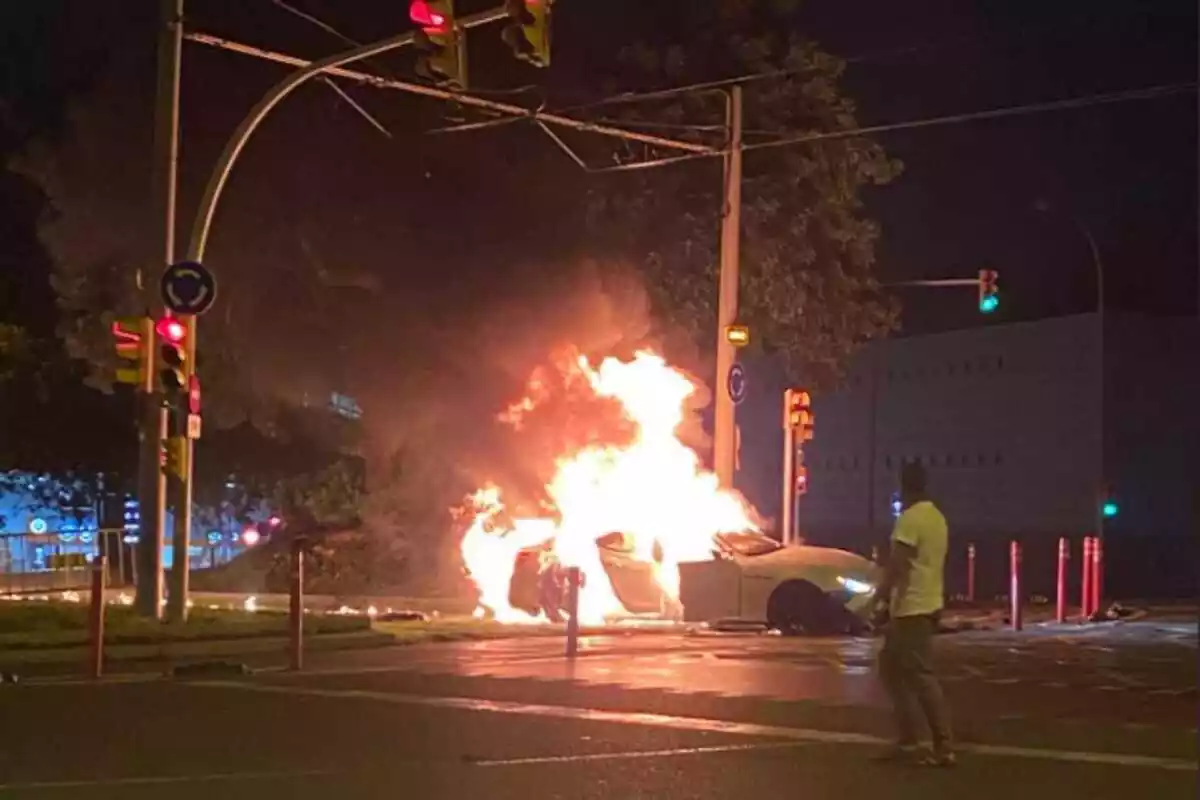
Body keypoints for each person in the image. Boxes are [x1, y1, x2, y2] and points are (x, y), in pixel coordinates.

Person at [871, 460, 955, 767]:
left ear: (904, 486)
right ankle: (908, 740)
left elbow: (899, 564)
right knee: (891, 669)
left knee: (920, 676)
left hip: (912, 608)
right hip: (929, 603)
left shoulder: (910, 519)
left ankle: (943, 747)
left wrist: (878, 600)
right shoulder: (937, 518)